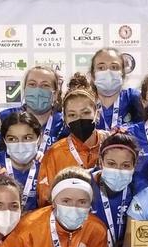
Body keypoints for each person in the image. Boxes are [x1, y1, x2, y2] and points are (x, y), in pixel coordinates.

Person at [0, 167, 111, 247]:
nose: (74, 208)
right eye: (66, 201)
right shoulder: (26, 230)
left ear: (90, 205)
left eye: (82, 202)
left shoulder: (97, 230)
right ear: (53, 201)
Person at [38, 74, 106, 202]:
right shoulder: (55, 153)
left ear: (96, 113)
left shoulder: (111, 143)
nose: (79, 119)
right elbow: (46, 200)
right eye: (72, 115)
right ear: (65, 119)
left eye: (85, 113)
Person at [90, 132, 140, 247]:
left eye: (125, 165)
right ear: (101, 162)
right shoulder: (82, 184)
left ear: (134, 167)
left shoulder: (140, 189)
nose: (118, 170)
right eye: (111, 164)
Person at [0, 110, 43, 210]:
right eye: (12, 139)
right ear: (4, 140)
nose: (20, 144)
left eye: (27, 138)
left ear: (39, 138)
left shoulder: (46, 167)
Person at [1, 65, 65, 151]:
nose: (38, 90)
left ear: (55, 94)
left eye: (45, 85)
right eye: (32, 84)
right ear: (24, 89)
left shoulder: (64, 124)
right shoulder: (4, 118)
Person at [91, 48, 142, 129]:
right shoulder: (84, 101)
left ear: (123, 74)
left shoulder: (133, 97)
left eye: (114, 67)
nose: (108, 72)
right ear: (93, 76)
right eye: (101, 68)